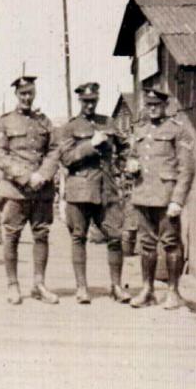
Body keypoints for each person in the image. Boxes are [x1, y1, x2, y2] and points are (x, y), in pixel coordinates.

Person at [56, 82, 131, 304]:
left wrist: (126, 164)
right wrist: (91, 145)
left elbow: (125, 146)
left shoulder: (108, 122)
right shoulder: (70, 128)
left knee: (115, 237)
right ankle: (81, 288)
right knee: (78, 237)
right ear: (80, 101)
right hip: (80, 192)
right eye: (86, 101)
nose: (89, 105)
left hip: (107, 190)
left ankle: (116, 286)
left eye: (93, 101)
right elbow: (66, 158)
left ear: (97, 100)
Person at [0, 75, 61, 305]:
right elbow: (1, 155)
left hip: (42, 189)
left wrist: (43, 174)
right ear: (16, 95)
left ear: (35, 93)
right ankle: (13, 285)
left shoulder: (44, 122)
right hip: (16, 190)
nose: (27, 97)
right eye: (23, 94)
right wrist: (26, 176)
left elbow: (54, 150)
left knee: (41, 235)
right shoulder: (4, 122)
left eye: (30, 93)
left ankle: (39, 285)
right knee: (11, 236)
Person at [125, 88, 195, 310]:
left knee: (171, 243)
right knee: (146, 245)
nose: (152, 108)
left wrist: (178, 200)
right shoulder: (140, 129)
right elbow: (132, 158)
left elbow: (187, 169)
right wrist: (131, 166)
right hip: (143, 195)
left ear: (165, 106)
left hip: (166, 198)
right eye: (149, 104)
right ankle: (147, 290)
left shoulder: (177, 131)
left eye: (156, 104)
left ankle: (173, 292)